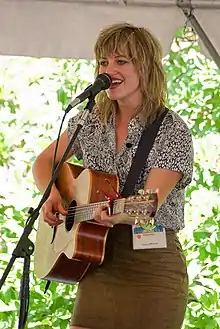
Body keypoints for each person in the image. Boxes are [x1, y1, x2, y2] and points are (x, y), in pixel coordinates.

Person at [32, 23, 194, 329]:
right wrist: (52, 194)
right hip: (97, 259)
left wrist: (116, 215)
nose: (109, 70)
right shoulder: (90, 121)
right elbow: (43, 162)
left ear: (145, 66)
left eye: (121, 61)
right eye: (103, 62)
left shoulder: (172, 130)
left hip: (151, 265)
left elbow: (148, 205)